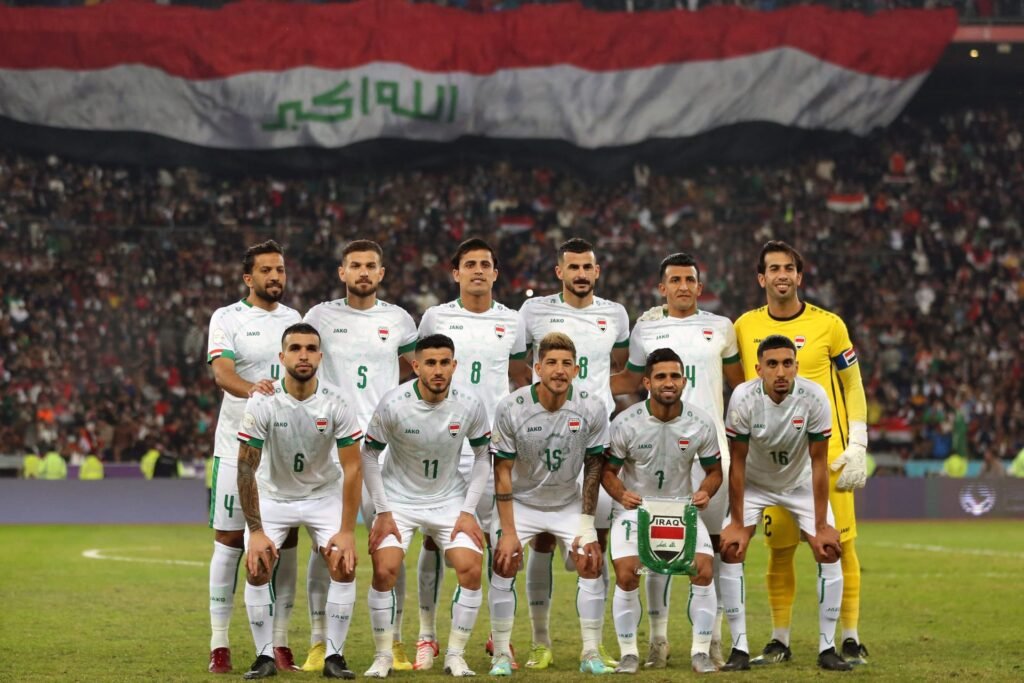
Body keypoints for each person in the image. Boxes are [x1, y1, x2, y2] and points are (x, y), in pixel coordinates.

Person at [733, 241, 870, 665]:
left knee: (840, 545)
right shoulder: (743, 326)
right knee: (780, 549)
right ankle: (780, 639)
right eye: (774, 268)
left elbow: (852, 383)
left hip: (827, 455)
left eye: (789, 268)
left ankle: (850, 637)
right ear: (762, 278)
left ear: (799, 275)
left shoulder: (830, 325)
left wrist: (859, 441)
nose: (782, 275)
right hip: (772, 463)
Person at [611, 253, 744, 668]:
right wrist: (579, 383)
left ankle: (714, 640)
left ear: (700, 287)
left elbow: (740, 386)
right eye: (675, 280)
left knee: (715, 550)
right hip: (658, 449)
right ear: (662, 287)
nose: (683, 286)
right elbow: (630, 380)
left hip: (709, 449)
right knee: (654, 548)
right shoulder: (646, 328)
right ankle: (658, 640)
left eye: (690, 279)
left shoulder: (721, 327)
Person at [303, 239, 419, 672]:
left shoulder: (399, 319)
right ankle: (319, 642)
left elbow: (418, 372)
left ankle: (394, 641)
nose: (364, 272)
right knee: (325, 547)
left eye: (371, 265)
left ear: (382, 273)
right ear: (342, 272)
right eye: (356, 265)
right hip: (332, 448)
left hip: (384, 449)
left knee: (391, 546)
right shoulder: (319, 317)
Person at [416, 237, 530, 669]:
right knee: (433, 540)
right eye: (470, 264)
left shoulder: (513, 321)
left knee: (501, 542)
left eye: (485, 264)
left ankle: (500, 639)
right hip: (445, 444)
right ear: (456, 273)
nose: (478, 270)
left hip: (494, 445)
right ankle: (427, 636)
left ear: (495, 274)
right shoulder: (436, 317)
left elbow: (518, 375)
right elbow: (425, 370)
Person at [518, 238, 629, 669]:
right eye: (573, 267)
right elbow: (519, 366)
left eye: (587, 267)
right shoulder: (533, 312)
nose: (581, 274)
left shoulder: (615, 314)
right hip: (546, 437)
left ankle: (593, 646)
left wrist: (595, 402)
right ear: (559, 272)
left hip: (594, 436)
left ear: (597, 272)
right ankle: (540, 642)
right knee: (543, 538)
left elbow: (623, 367)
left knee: (595, 540)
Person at [235, 322, 364, 680]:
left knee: (344, 563)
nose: (303, 355)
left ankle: (334, 656)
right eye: (295, 348)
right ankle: (264, 657)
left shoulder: (338, 401)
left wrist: (347, 531)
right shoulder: (263, 400)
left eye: (310, 348)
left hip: (323, 495)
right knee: (256, 566)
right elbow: (245, 468)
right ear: (282, 356)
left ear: (320, 356)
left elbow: (353, 468)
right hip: (274, 497)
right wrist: (256, 531)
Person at [360, 334, 492, 678]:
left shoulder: (470, 404)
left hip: (449, 499)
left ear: (454, 365)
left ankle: (455, 656)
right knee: (384, 570)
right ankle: (383, 656)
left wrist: (468, 511)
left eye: (444, 362)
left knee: (471, 568)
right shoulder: (393, 403)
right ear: (416, 366)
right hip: (398, 500)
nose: (438, 370)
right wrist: (383, 511)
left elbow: (482, 457)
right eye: (430, 363)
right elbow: (369, 455)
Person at [718, 335, 850, 672]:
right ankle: (739, 649)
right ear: (759, 369)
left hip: (799, 484)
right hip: (755, 484)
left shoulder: (814, 397)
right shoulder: (743, 397)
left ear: (796, 366)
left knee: (830, 550)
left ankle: (827, 648)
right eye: (772, 364)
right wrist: (738, 522)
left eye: (787, 363)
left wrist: (820, 526)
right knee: (730, 549)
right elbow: (737, 462)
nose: (780, 372)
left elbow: (819, 463)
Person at [487, 332, 613, 676]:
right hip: (522, 503)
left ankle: (591, 652)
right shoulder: (511, 407)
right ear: (538, 368)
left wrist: (586, 525)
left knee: (590, 562)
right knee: (504, 562)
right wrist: (509, 532)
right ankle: (501, 654)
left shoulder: (592, 407)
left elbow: (594, 467)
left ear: (576, 370)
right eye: (552, 363)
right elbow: (502, 472)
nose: (559, 370)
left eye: (566, 364)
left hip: (566, 502)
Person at [206, 239, 302, 674]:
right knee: (229, 541)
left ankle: (280, 642)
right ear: (249, 277)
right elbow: (222, 372)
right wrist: (253, 391)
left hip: (283, 449)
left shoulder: (295, 319)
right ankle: (220, 643)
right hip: (235, 446)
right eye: (266, 270)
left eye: (280, 269)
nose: (275, 276)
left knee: (286, 541)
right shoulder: (226, 317)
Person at [604, 348, 724, 674]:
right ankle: (629, 654)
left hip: (681, 509)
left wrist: (705, 490)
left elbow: (715, 471)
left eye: (674, 376)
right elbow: (607, 472)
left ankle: (700, 652)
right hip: (637, 510)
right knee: (627, 574)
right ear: (647, 383)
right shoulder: (625, 422)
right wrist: (622, 494)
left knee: (703, 570)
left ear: (684, 381)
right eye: (660, 377)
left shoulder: (700, 422)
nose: (668, 382)